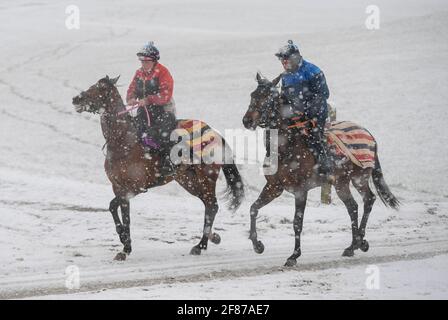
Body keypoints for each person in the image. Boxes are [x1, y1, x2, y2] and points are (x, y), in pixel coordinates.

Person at [275, 40, 333, 177]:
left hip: (316, 113)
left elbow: (323, 94)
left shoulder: (312, 70)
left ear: (295, 57)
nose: (284, 63)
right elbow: (284, 97)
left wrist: (306, 112)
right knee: (278, 131)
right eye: (282, 61)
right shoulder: (286, 77)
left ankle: (324, 163)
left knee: (313, 134)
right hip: (295, 114)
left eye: (286, 60)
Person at [126, 41, 177, 176]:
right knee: (136, 131)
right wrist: (130, 98)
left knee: (163, 133)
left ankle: (169, 161)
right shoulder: (139, 73)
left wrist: (148, 99)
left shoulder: (163, 72)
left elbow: (165, 95)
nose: (143, 64)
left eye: (147, 61)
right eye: (142, 61)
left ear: (154, 61)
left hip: (164, 110)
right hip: (145, 111)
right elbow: (132, 89)